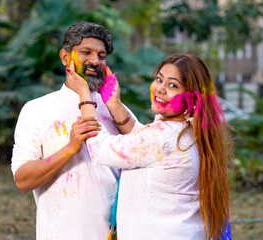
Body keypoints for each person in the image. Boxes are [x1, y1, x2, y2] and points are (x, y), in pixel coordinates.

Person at [67, 53, 232, 240]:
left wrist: (85, 96)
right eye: (159, 79)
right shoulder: (190, 131)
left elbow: (102, 149)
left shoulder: (163, 137)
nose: (160, 89)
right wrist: (114, 104)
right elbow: (144, 146)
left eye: (173, 85)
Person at [11, 22, 134, 239]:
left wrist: (116, 106)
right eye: (86, 52)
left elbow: (145, 153)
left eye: (102, 56)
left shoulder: (116, 108)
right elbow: (22, 180)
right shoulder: (37, 110)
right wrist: (70, 148)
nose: (95, 61)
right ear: (65, 57)